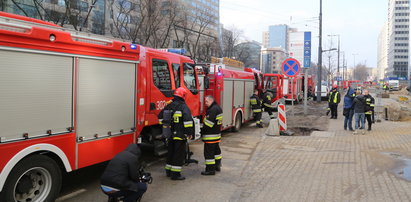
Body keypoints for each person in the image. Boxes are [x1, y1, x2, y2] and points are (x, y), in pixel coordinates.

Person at [158, 87, 194, 180]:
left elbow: (160, 117)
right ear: (183, 96)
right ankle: (175, 174)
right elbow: (188, 122)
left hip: (170, 135)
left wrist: (166, 127)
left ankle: (168, 171)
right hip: (180, 135)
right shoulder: (183, 107)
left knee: (171, 153)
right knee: (178, 155)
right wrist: (189, 133)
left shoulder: (169, 105)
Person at [201, 95, 223, 175]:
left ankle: (210, 170)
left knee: (209, 153)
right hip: (216, 134)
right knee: (217, 151)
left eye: (206, 101)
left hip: (210, 136)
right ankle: (217, 165)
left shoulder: (212, 109)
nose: (205, 103)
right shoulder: (218, 108)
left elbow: (209, 124)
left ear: (211, 100)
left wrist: (201, 130)